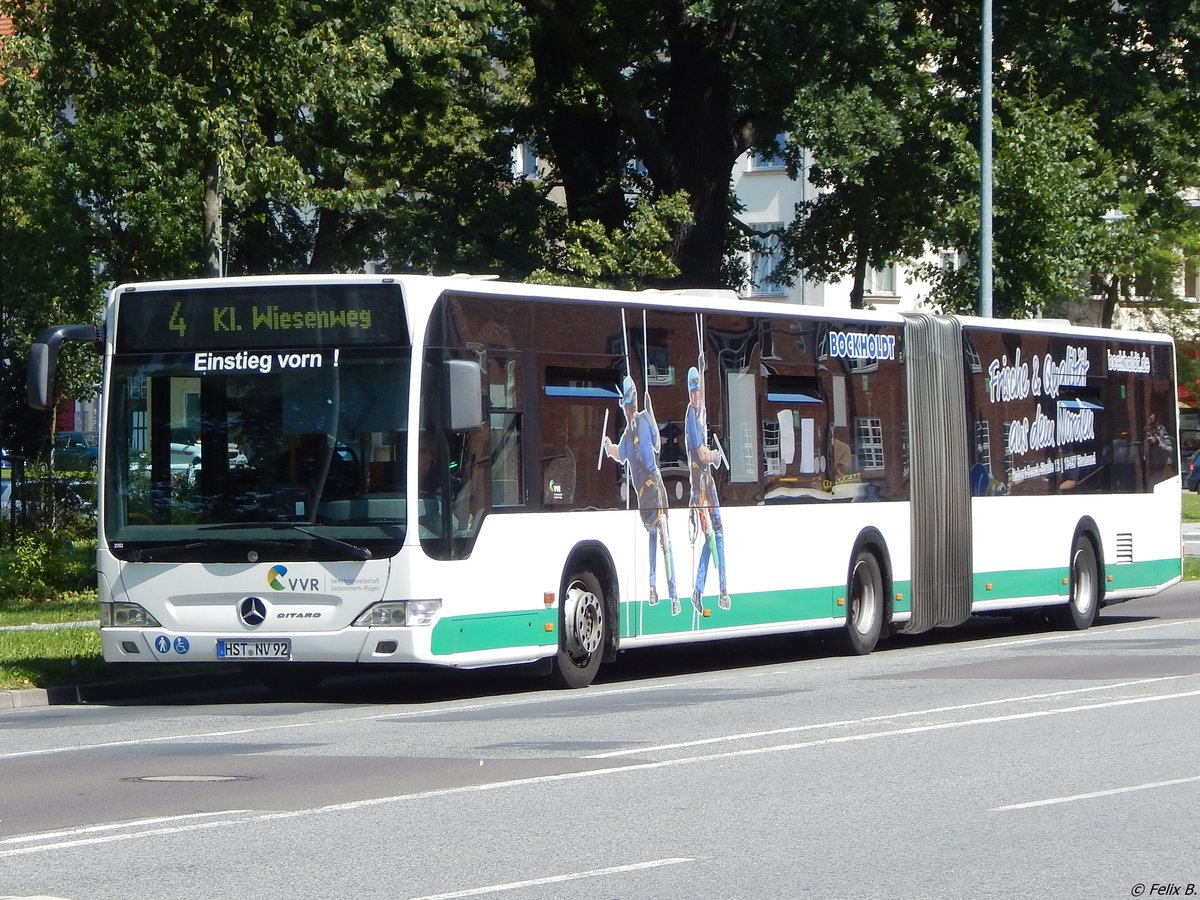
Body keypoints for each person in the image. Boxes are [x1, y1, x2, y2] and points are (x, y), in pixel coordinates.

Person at [603, 375, 679, 614]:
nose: (628, 408)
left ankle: (672, 593)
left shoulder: (643, 419)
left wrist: (652, 415)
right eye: (626, 404)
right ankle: (654, 587)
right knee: (653, 537)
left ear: (634, 400)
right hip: (644, 494)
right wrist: (608, 447)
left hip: (654, 485)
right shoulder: (626, 434)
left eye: (631, 402)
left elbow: (656, 446)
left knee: (664, 538)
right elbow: (619, 453)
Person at [684, 365, 730, 612]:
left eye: (699, 390)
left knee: (717, 535)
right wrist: (714, 455)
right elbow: (702, 454)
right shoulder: (691, 416)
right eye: (693, 391)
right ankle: (702, 591)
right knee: (712, 537)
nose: (697, 395)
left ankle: (718, 591)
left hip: (709, 487)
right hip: (700, 492)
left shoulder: (700, 414)